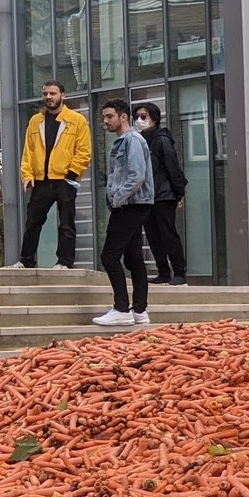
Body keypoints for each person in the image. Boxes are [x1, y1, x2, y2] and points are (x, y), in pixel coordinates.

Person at [17, 81, 93, 269]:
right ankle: (26, 261)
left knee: (66, 223)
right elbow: (28, 151)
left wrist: (72, 174)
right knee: (32, 222)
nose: (48, 97)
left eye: (52, 93)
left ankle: (65, 262)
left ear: (63, 96)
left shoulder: (77, 120)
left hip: (64, 179)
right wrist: (27, 175)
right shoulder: (36, 121)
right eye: (45, 94)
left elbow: (84, 151)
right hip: (41, 180)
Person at [94, 98, 155, 327]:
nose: (105, 121)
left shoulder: (132, 140)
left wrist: (118, 199)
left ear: (123, 117)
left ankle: (121, 308)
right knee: (133, 258)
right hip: (133, 205)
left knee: (109, 256)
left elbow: (137, 175)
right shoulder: (125, 141)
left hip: (131, 205)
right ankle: (139, 310)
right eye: (104, 117)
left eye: (109, 116)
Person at [133, 102, 190, 285]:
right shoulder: (139, 140)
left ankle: (179, 272)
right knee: (153, 236)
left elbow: (172, 167)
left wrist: (178, 193)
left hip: (163, 195)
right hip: (146, 197)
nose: (139, 120)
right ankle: (163, 272)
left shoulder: (162, 140)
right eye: (137, 117)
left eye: (144, 116)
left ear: (154, 119)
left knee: (168, 234)